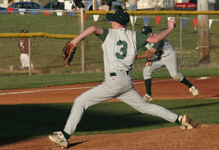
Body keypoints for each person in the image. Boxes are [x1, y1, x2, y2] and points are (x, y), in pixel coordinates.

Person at [48, 9, 198, 149]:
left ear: (116, 23)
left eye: (112, 20)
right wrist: (170, 27)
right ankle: (179, 119)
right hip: (126, 82)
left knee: (80, 102)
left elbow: (93, 28)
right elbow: (157, 38)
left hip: (113, 81)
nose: (110, 22)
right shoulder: (134, 35)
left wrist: (74, 42)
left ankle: (65, 136)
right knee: (145, 107)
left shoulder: (108, 33)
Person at [137, 26, 199, 102]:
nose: (144, 36)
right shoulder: (145, 40)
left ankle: (191, 87)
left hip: (170, 56)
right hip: (160, 57)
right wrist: (148, 60)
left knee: (175, 76)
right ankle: (148, 95)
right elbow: (147, 51)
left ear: (150, 34)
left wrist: (137, 57)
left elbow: (150, 53)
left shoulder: (158, 38)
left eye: (145, 34)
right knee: (146, 70)